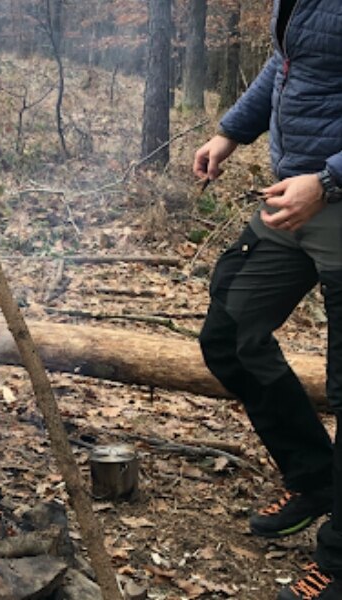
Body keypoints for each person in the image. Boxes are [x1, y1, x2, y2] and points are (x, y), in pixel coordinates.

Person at [193, 1, 342, 598]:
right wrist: (231, 131)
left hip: (327, 195)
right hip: (292, 203)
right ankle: (316, 477)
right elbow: (289, 63)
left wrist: (329, 180)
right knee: (229, 336)